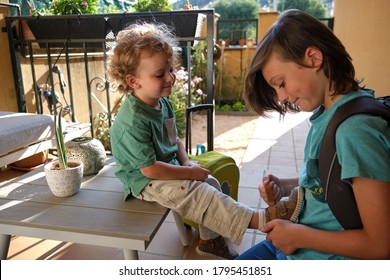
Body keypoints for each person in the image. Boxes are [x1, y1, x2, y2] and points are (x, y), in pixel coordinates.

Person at [107, 21, 288, 260]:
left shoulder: (163, 103)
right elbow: (150, 170)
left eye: (170, 70)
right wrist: (189, 174)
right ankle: (259, 219)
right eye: (160, 74)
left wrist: (188, 164)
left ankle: (210, 242)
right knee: (197, 191)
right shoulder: (132, 120)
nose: (170, 78)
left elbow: (176, 142)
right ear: (133, 81)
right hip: (143, 181)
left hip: (165, 167)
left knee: (210, 182)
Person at [236, 9, 390, 260]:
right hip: (300, 242)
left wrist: (298, 235)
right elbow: (336, 180)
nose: (282, 97)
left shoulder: (356, 131)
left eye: (281, 83)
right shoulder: (331, 113)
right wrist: (287, 185)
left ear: (313, 58)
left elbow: (381, 246)